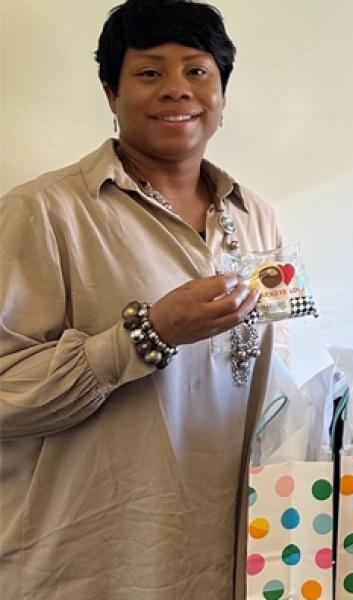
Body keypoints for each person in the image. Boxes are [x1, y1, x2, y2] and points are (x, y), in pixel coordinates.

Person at [0, 1, 282, 596]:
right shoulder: (41, 213)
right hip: (99, 564)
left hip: (239, 556)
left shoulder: (256, 216)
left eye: (197, 71)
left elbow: (274, 369)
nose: (177, 89)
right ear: (111, 93)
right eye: (150, 72)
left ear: (223, 94)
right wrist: (148, 333)